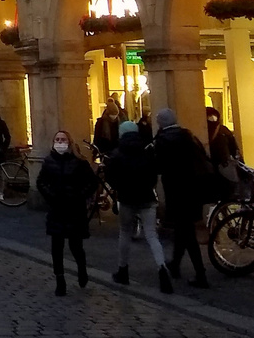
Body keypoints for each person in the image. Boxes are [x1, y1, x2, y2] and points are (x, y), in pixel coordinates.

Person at [103, 120, 171, 293]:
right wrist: (148, 187)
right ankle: (162, 267)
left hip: (126, 199)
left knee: (125, 233)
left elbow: (110, 176)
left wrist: (120, 188)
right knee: (151, 235)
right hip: (147, 197)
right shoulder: (146, 151)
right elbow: (154, 174)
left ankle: (123, 270)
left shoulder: (117, 153)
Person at [151, 108, 211, 288]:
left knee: (187, 232)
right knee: (182, 229)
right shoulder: (188, 136)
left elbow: (159, 167)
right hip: (194, 190)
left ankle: (201, 274)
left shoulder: (162, 140)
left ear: (161, 123)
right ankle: (175, 264)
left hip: (176, 191)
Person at [37, 130, 95, 296]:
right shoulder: (49, 161)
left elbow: (91, 182)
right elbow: (41, 182)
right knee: (57, 247)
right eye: (57, 139)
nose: (60, 142)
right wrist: (50, 195)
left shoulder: (79, 162)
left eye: (63, 139)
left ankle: (82, 270)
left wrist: (80, 196)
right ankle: (60, 280)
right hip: (57, 209)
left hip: (75, 209)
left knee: (76, 245)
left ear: (69, 142)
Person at [204, 106, 241, 198]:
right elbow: (234, 149)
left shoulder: (203, 131)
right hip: (223, 165)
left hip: (212, 165)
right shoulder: (223, 130)